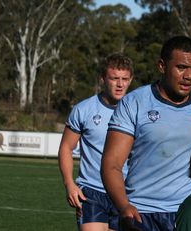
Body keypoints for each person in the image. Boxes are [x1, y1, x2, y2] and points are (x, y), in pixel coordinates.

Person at [101, 35, 191, 231]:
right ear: (162, 66)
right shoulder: (134, 102)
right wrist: (123, 206)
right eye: (181, 67)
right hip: (141, 213)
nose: (189, 76)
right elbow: (112, 164)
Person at [58, 53, 133, 231]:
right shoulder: (84, 109)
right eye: (114, 78)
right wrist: (69, 184)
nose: (120, 84)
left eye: (125, 79)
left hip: (125, 193)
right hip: (91, 192)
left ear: (131, 79)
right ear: (102, 79)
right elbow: (66, 148)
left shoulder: (138, 111)